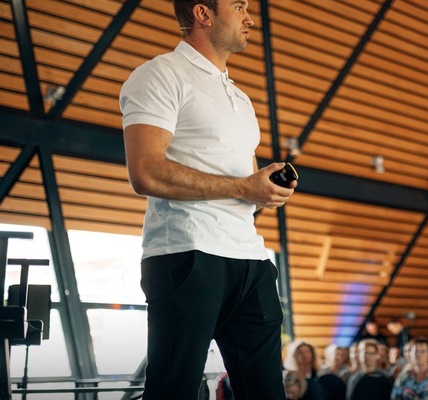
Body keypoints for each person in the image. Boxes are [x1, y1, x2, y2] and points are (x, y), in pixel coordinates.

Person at [119, 1, 297, 398]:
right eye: (239, 6)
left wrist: (264, 190)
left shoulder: (241, 99)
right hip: (187, 254)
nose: (250, 17)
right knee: (173, 391)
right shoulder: (159, 75)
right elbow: (145, 172)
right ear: (204, 14)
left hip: (250, 261)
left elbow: (248, 187)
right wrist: (242, 189)